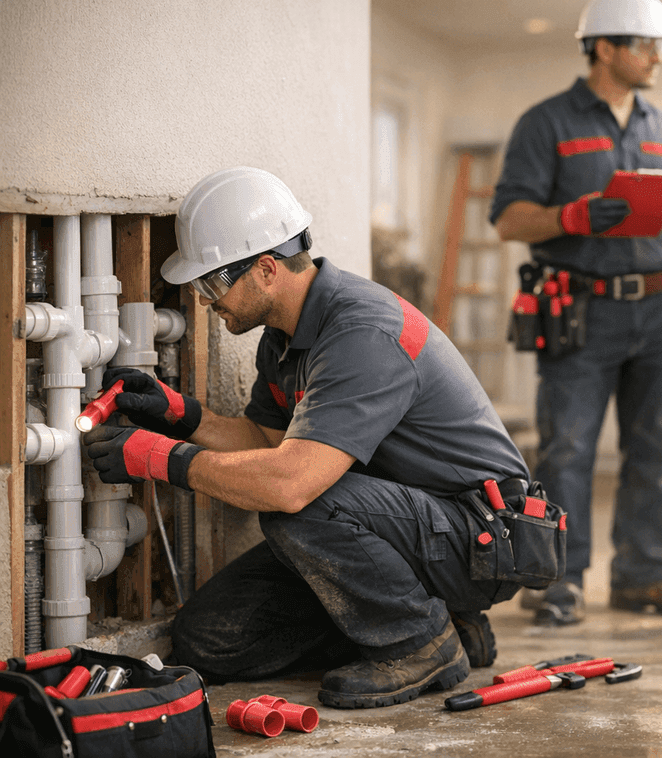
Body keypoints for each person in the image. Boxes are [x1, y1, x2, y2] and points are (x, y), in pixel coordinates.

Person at [82, 166, 559, 709]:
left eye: (212, 283)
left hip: (483, 537)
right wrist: (182, 416)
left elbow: (290, 484)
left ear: (265, 269)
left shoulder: (362, 333)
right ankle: (440, 615)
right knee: (209, 640)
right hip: (406, 530)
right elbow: (268, 441)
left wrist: (158, 457)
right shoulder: (284, 338)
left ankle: (420, 644)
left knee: (297, 505)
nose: (205, 301)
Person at [490, 0, 662, 626]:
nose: (658, 57)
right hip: (583, 309)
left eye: (661, 45)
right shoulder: (546, 122)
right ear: (603, 47)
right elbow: (508, 218)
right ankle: (557, 579)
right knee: (569, 448)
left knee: (658, 447)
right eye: (647, 45)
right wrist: (572, 215)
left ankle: (645, 574)